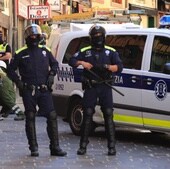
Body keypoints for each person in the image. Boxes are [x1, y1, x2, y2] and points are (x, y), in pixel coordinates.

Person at [7, 24, 67, 157]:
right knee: (30, 117)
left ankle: (55, 147)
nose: (34, 37)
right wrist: (19, 82)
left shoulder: (45, 50)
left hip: (44, 89)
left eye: (36, 35)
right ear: (27, 37)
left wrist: (51, 75)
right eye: (31, 35)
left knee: (51, 116)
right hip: (29, 90)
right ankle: (33, 147)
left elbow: (55, 64)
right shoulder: (20, 53)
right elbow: (11, 70)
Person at [69, 25, 123, 156]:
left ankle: (111, 146)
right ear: (91, 38)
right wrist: (82, 63)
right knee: (87, 114)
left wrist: (108, 67)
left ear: (104, 37)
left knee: (108, 115)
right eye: (95, 36)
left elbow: (120, 67)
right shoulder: (86, 50)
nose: (97, 38)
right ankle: (83, 145)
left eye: (100, 36)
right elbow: (72, 60)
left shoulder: (110, 51)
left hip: (105, 86)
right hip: (91, 87)